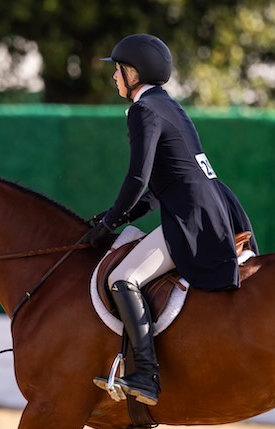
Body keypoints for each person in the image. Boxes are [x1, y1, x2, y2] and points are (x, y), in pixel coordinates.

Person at [86, 33, 256, 406]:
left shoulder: (143, 111)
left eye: (117, 71)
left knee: (121, 278)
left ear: (133, 73)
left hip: (193, 215)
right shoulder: (169, 106)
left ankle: (145, 375)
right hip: (213, 205)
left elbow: (137, 179)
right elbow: (163, 183)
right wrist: (119, 214)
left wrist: (109, 223)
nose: (114, 78)